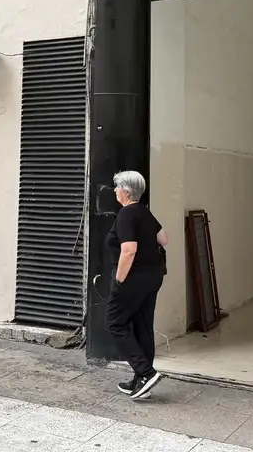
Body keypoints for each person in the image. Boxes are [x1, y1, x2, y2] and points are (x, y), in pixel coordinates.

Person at [105, 170, 168, 400]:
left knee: (115, 322)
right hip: (153, 277)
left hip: (133, 279)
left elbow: (129, 250)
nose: (115, 190)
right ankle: (142, 380)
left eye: (117, 187)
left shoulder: (126, 214)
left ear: (126, 191)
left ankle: (146, 372)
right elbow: (163, 239)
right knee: (143, 326)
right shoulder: (144, 211)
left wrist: (120, 280)